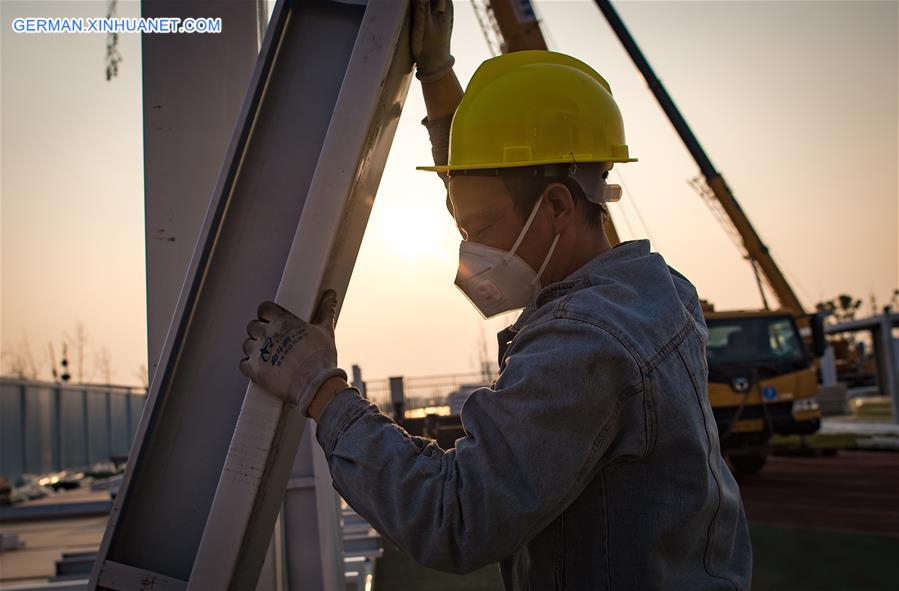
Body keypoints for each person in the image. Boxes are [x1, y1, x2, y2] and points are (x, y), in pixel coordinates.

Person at [239, 1, 752, 588]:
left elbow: (453, 518)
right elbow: (486, 186)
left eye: (478, 233)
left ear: (558, 206)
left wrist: (319, 389)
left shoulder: (584, 346)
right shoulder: (656, 293)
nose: (470, 252)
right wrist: (436, 73)